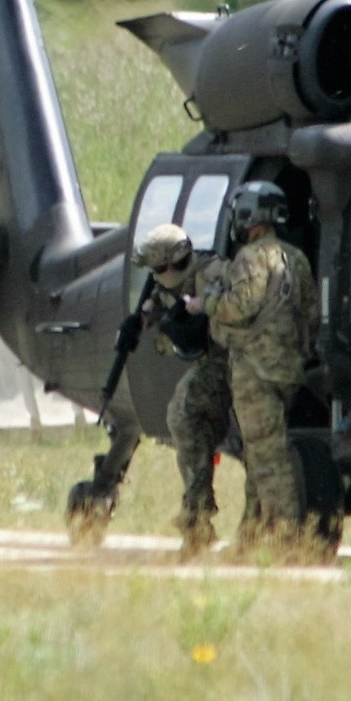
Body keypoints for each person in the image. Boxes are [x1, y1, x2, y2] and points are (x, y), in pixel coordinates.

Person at [195, 181, 318, 554]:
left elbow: (241, 306)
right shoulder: (296, 259)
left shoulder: (251, 258)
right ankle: (250, 539)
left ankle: (287, 541)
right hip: (287, 371)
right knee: (258, 453)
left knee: (269, 460)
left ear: (250, 217)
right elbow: (311, 315)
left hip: (255, 372)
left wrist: (209, 303)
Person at [131, 223, 232, 558]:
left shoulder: (214, 274)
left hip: (237, 361)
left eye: (158, 269)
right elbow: (161, 304)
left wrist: (179, 318)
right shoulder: (181, 280)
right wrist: (140, 321)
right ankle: (197, 517)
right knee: (186, 419)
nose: (157, 277)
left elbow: (201, 324)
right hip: (223, 363)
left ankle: (199, 517)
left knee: (184, 413)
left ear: (170, 265)